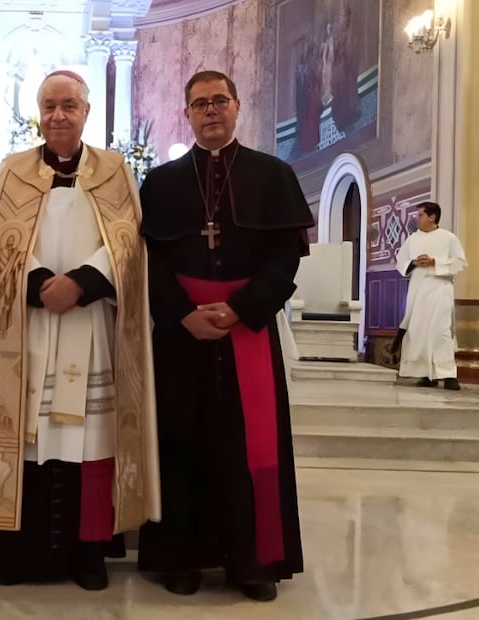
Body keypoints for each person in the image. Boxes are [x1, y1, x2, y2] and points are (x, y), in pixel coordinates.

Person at [0, 70, 160, 591]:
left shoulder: (114, 172)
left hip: (90, 328)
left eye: (69, 105)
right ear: (37, 113)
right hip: (28, 331)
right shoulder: (13, 171)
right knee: (28, 442)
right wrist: (41, 282)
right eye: (49, 106)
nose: (58, 115)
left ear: (87, 112)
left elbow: (129, 242)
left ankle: (86, 556)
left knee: (89, 441)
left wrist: (85, 282)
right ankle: (19, 554)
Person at [137, 70, 312, 602]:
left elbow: (285, 259)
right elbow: (148, 260)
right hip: (182, 334)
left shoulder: (273, 174)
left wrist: (240, 309)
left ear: (237, 106)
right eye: (199, 104)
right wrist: (179, 314)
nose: (210, 110)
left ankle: (253, 563)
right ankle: (180, 558)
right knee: (179, 440)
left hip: (247, 330)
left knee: (249, 446)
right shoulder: (162, 182)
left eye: (219, 101)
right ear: (186, 114)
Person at [392, 201, 467, 391]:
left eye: (421, 215)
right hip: (418, 290)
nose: (418, 219)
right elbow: (401, 262)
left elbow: (460, 263)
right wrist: (415, 262)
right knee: (418, 331)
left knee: (441, 332)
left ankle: (448, 375)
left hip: (439, 289)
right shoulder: (412, 239)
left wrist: (435, 261)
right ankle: (426, 374)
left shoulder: (449, 238)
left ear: (432, 217)